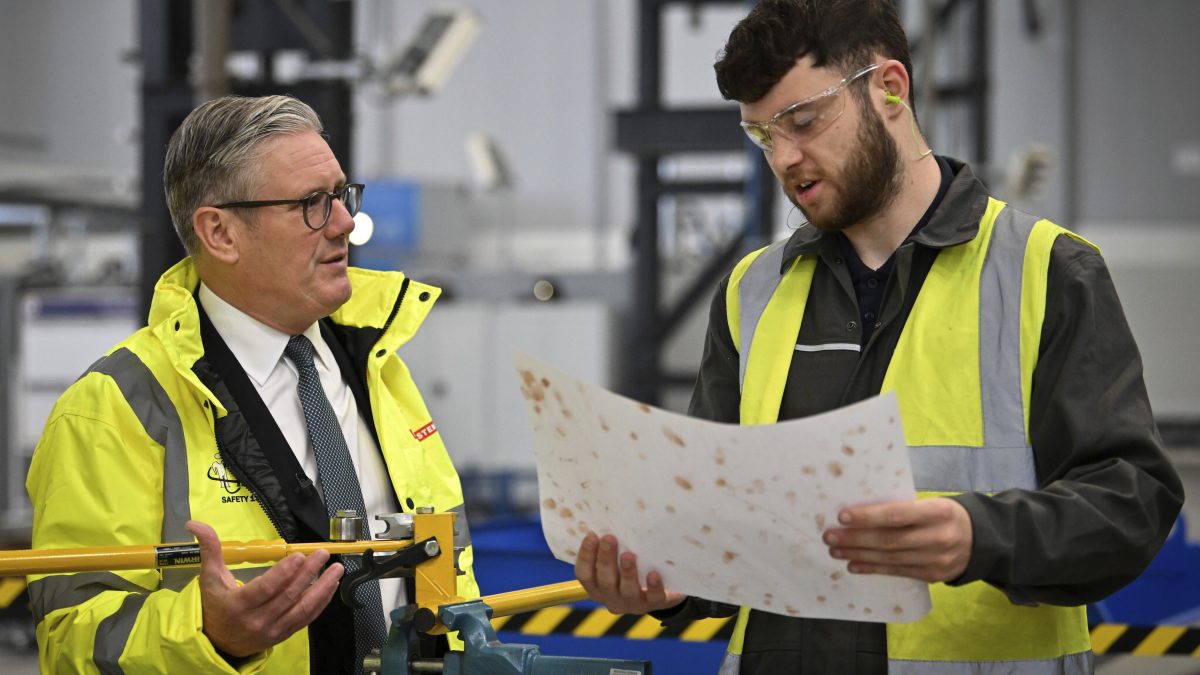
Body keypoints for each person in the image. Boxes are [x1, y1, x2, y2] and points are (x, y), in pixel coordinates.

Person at [574, 1, 1184, 673]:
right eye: (761, 135)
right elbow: (717, 531)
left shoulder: (1047, 271)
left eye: (802, 121)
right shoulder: (753, 290)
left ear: (890, 87)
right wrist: (664, 582)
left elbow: (1132, 502)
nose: (784, 156)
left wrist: (981, 534)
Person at [26, 95, 479, 674]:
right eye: (312, 204)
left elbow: (450, 574)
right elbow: (72, 643)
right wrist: (211, 637)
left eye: (341, 195)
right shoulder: (113, 408)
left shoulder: (378, 366)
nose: (344, 222)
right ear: (219, 233)